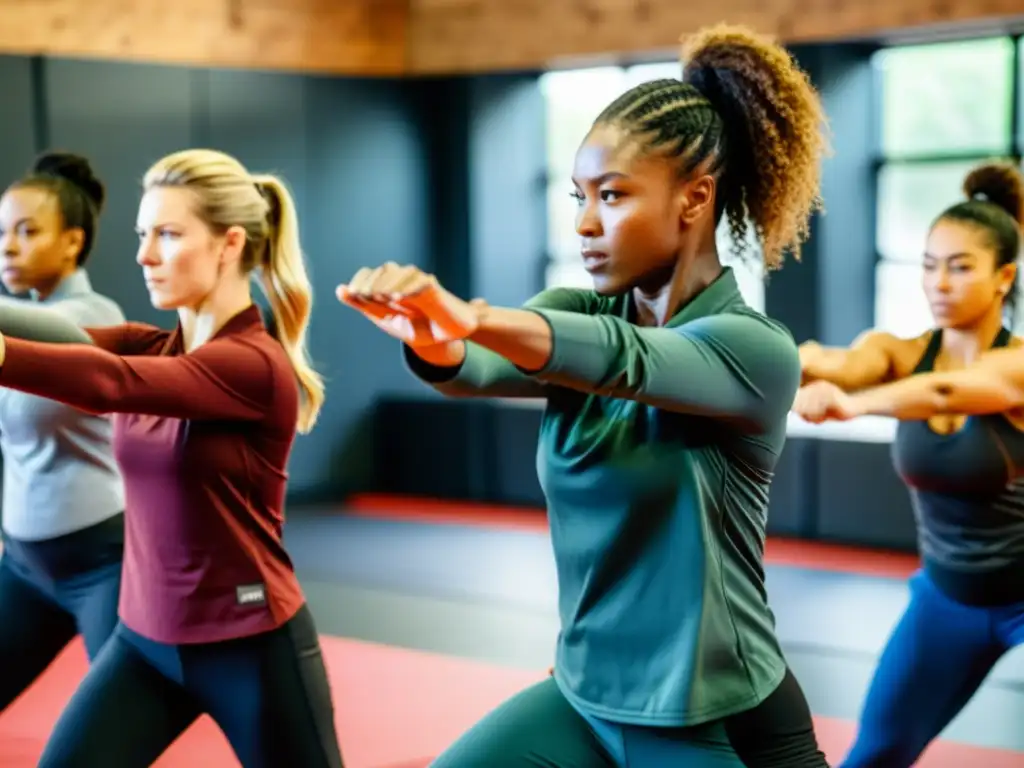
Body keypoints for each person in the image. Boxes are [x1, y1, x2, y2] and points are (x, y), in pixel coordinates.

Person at [338, 23, 829, 768]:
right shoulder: (576, 311)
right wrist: (432, 334)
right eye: (579, 197)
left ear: (694, 197)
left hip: (710, 710)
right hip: (582, 695)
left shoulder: (752, 350)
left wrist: (473, 314)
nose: (585, 223)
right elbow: (474, 369)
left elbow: (628, 362)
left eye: (612, 195)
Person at [0, 148, 343, 767]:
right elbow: (54, 335)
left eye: (167, 234)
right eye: (141, 234)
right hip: (144, 643)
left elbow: (107, 382)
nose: (144, 256)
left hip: (249, 648)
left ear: (228, 243)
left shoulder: (251, 366)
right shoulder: (159, 345)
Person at [794, 161, 1024, 767]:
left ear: (1004, 277)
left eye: (959, 266)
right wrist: (801, 361)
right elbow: (839, 363)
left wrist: (853, 406)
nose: (938, 282)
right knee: (873, 756)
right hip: (947, 600)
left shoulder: (1017, 365)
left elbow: (947, 394)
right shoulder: (898, 351)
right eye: (928, 264)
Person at [0, 152, 126, 713]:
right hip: (24, 567)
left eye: (27, 232)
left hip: (104, 564)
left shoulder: (93, 319)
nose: (8, 245)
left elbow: (49, 332)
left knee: (118, 730)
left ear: (73, 242)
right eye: (2, 231)